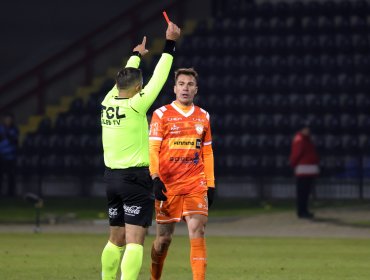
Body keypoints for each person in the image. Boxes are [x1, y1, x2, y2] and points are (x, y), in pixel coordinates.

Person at [100, 21, 181, 280]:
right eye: (141, 85)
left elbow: (124, 77)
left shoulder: (108, 100)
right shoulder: (137, 105)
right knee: (135, 240)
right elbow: (160, 76)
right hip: (134, 178)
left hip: (111, 178)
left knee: (116, 238)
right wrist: (170, 43)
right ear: (137, 88)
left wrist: (135, 56)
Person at [149, 68, 215, 280]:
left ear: (196, 89)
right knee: (163, 240)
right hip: (168, 186)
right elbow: (153, 150)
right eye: (181, 84)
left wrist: (211, 183)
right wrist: (155, 177)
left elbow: (207, 151)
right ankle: (154, 277)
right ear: (174, 88)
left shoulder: (203, 116)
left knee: (198, 230)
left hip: (196, 183)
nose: (185, 88)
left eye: (190, 84)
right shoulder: (161, 115)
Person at [289, 122, 320, 219]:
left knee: (306, 192)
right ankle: (301, 211)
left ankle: (304, 210)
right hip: (303, 168)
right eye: (306, 129)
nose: (308, 130)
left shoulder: (306, 140)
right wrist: (293, 164)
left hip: (307, 168)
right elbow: (296, 154)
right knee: (302, 192)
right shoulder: (300, 140)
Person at [0, 112, 19, 197]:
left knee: (11, 176)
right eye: (6, 119)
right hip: (1, 156)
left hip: (11, 157)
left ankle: (11, 193)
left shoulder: (14, 129)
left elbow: (15, 141)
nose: (8, 121)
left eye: (9, 119)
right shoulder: (1, 129)